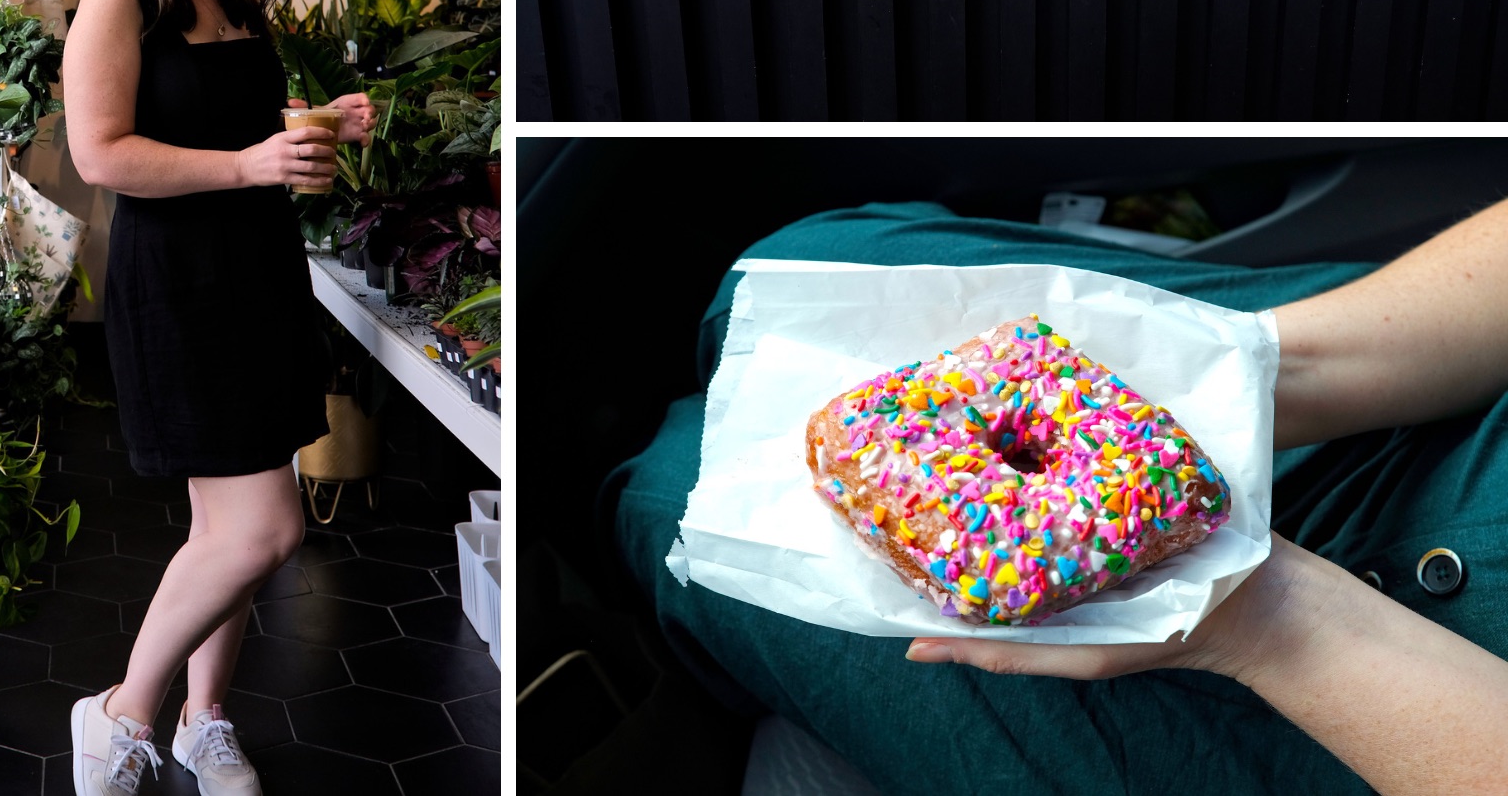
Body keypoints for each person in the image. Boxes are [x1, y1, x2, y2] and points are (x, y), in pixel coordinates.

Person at [607, 198, 1508, 795]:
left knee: (668, 501)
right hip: (1436, 404)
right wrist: (1261, 375)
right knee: (774, 276)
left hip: (1389, 699)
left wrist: (1271, 616)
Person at [60, 0, 376, 796]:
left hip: (258, 275)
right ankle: (118, 713)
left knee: (222, 534)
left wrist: (318, 127)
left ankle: (206, 720)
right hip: (179, 287)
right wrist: (250, 167)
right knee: (264, 529)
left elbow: (238, 132)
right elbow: (101, 154)